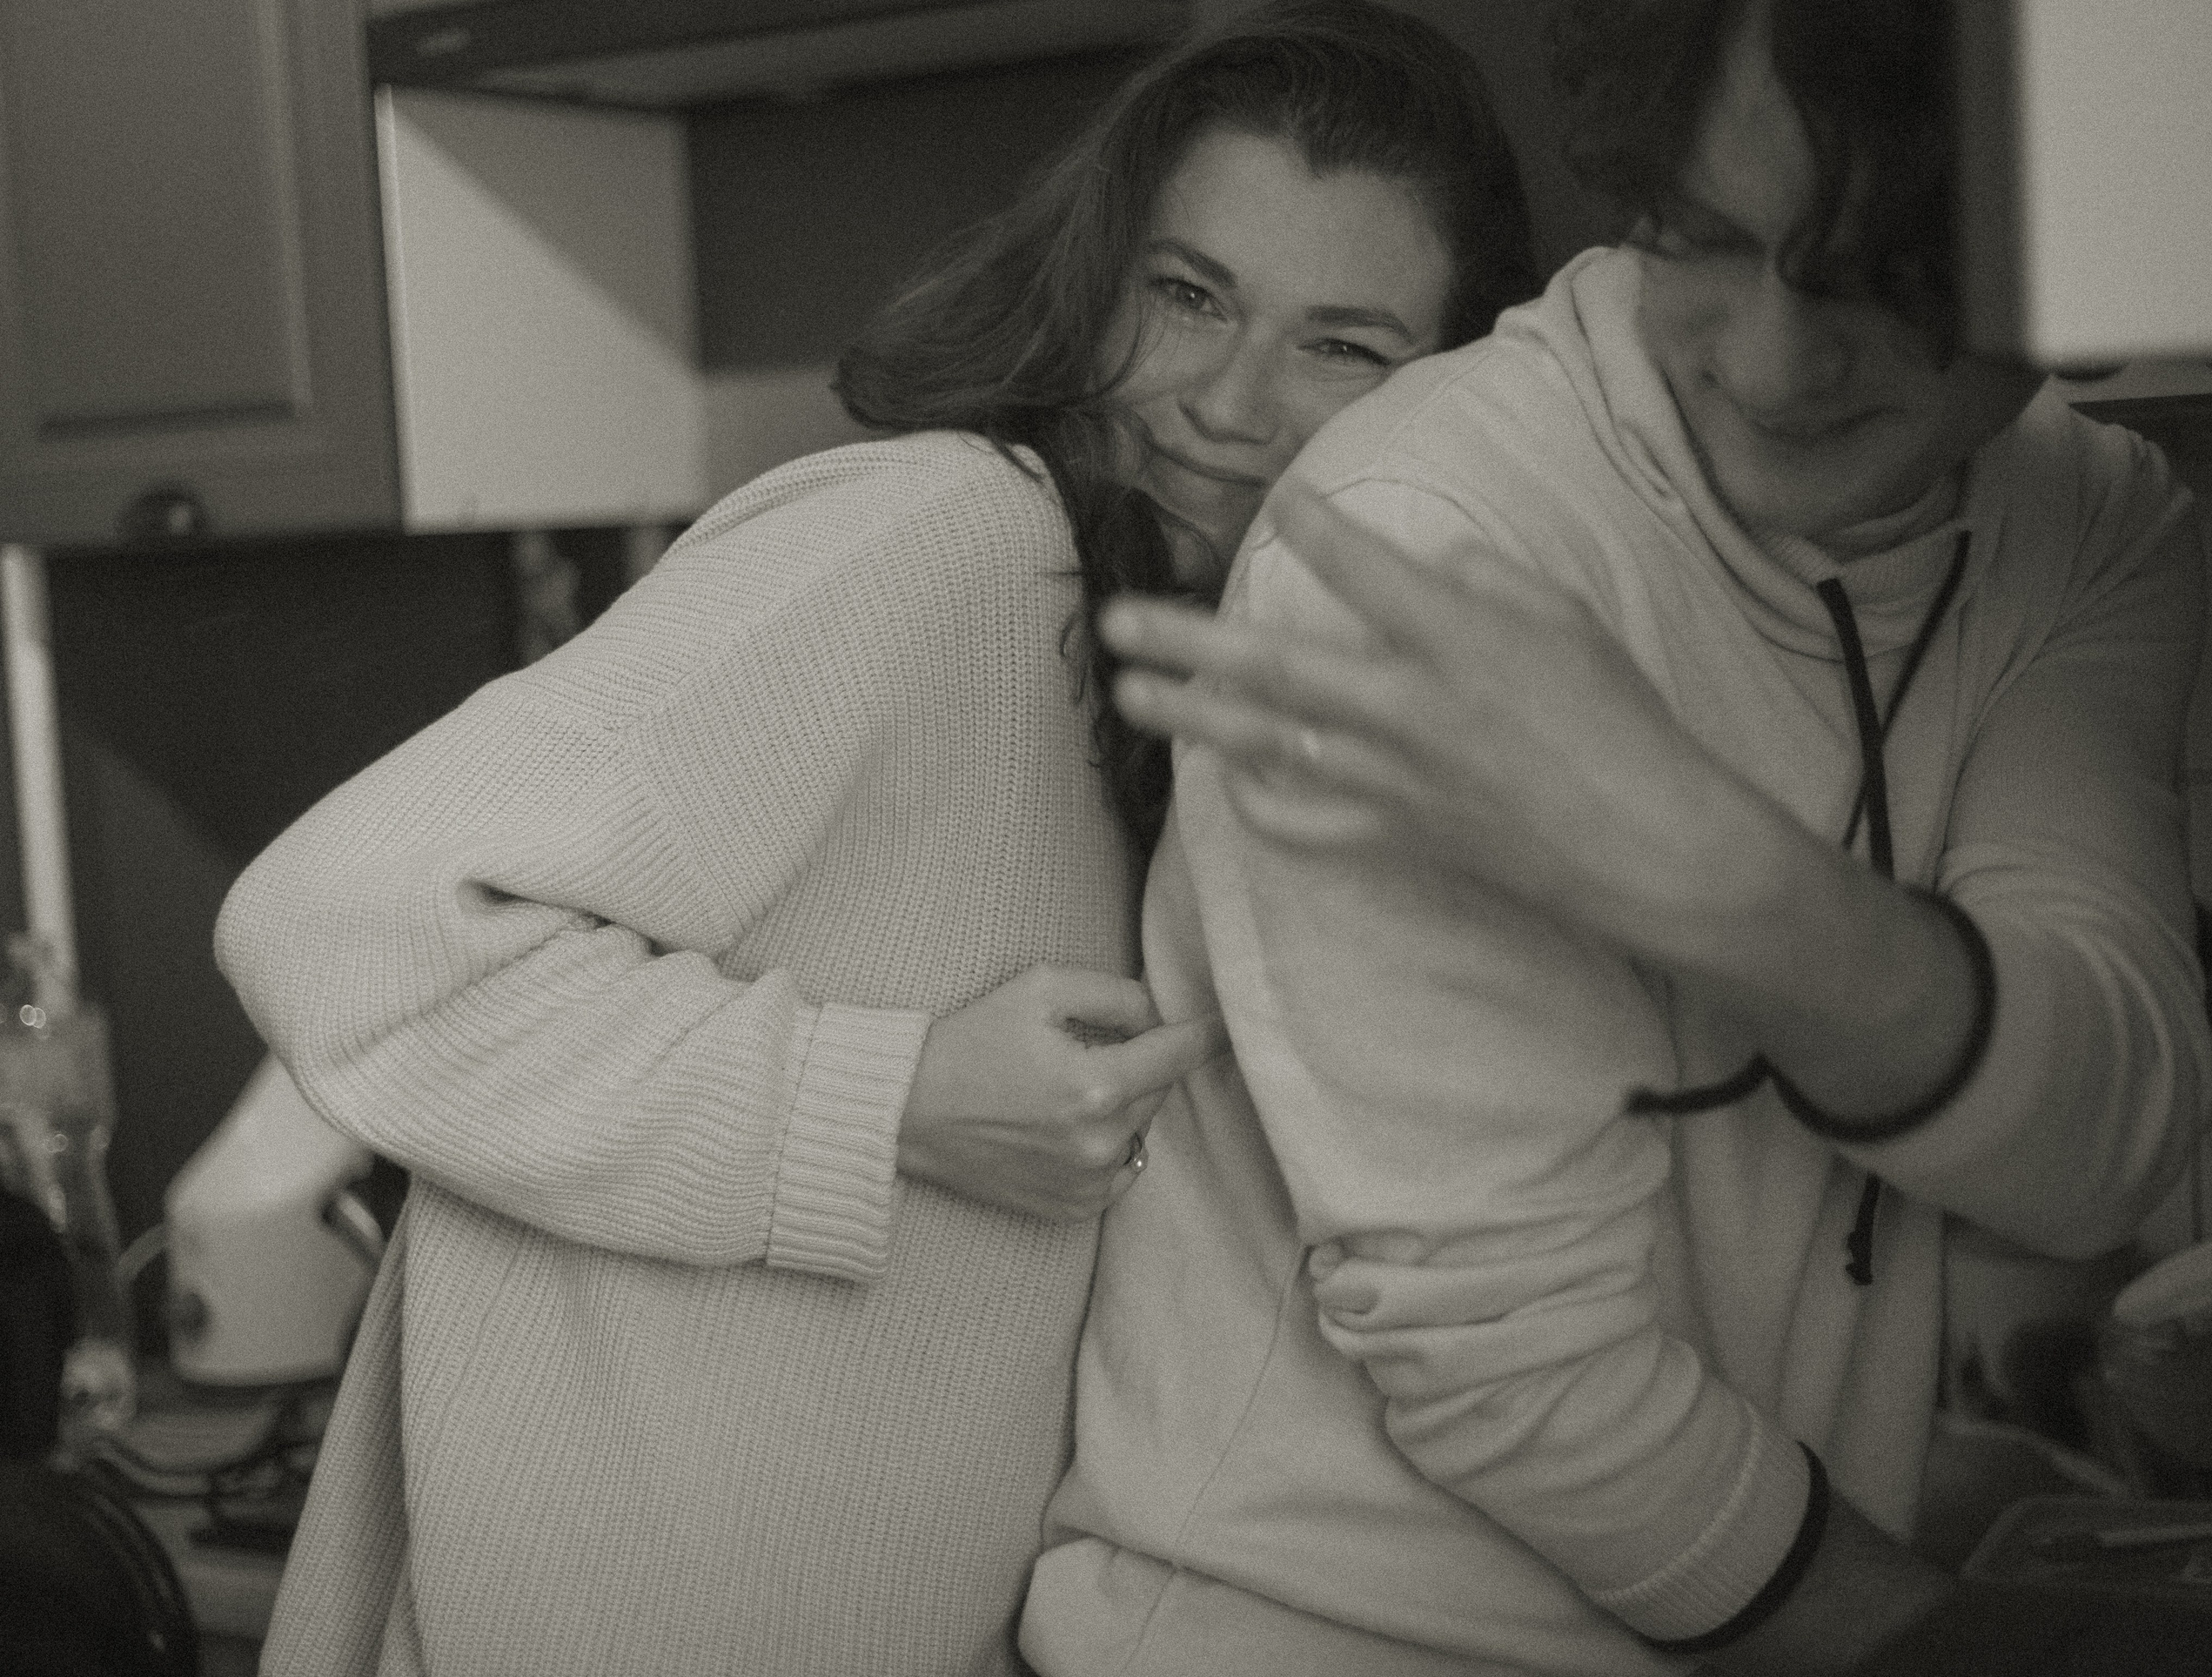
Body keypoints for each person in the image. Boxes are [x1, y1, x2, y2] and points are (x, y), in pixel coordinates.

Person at [214, 5, 1538, 1674]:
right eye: (1187, 296)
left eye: (1342, 346)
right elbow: (338, 916)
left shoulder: (1205, 705)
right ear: (1095, 276)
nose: (1227, 402)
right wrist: (885, 1101)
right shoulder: (955, 542)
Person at [1021, 1, 2212, 1673]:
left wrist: (1722, 883)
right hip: (1293, 1633)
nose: (1778, 358)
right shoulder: (1420, 544)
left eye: (1887, 273)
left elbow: (2103, 1143)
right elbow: (1511, 1355)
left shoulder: (2093, 520)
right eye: (1705, 238)